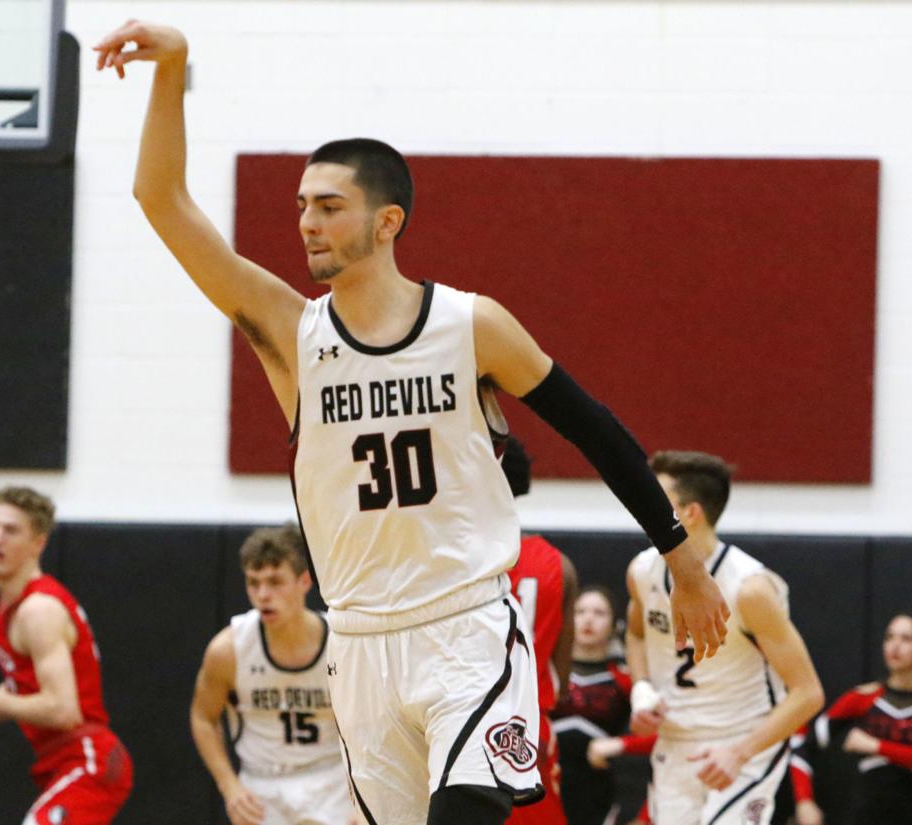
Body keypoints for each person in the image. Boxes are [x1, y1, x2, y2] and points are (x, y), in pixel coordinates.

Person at [95, 23, 728, 824]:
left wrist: (681, 555)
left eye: (329, 206)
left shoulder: (471, 326)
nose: (306, 223)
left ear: (387, 221)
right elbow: (162, 200)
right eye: (301, 207)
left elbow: (590, 425)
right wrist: (174, 66)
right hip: (359, 644)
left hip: (467, 629)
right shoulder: (295, 337)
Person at [625, 451, 825, 824]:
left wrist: (739, 752)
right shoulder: (641, 571)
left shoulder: (750, 590)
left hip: (741, 743)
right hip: (675, 743)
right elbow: (636, 636)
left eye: (656, 498)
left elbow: (808, 693)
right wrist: (641, 688)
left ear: (690, 513)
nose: (641, 505)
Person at [0, 486, 133, 824]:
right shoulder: (12, 606)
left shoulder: (38, 610)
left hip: (89, 759)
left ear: (38, 543)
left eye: (10, 530)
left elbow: (63, 710)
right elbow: (25, 694)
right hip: (70, 761)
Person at [190, 524, 354, 825]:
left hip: (333, 782)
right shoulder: (228, 650)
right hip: (262, 787)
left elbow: (372, 724)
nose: (263, 594)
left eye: (276, 581)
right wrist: (229, 787)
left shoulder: (341, 644)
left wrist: (364, 794)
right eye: (253, 583)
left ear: (304, 580)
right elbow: (203, 717)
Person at [791, 613, 912, 825]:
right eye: (889, 637)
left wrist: (873, 745)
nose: (895, 646)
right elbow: (803, 746)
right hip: (868, 814)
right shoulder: (863, 697)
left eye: (907, 639)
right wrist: (804, 801)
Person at [500, 435, 578, 825]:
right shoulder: (558, 565)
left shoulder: (441, 558)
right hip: (530, 733)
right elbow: (561, 682)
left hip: (456, 731)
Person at [553, 586, 654, 825]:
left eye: (599, 613)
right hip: (543, 786)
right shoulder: (544, 672)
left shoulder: (626, 680)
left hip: (596, 797)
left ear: (614, 624)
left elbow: (666, 736)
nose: (588, 619)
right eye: (580, 611)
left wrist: (620, 744)